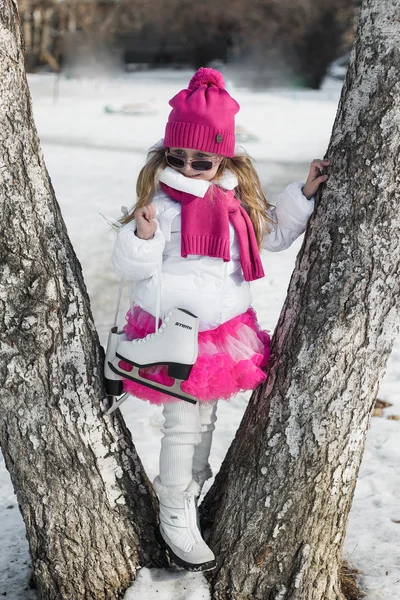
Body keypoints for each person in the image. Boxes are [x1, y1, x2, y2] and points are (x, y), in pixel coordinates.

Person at [111, 67, 329, 571]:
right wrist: (142, 235)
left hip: (223, 332)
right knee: (181, 424)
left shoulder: (236, 202)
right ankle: (173, 509)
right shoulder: (160, 206)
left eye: (201, 161)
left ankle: (193, 488)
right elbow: (129, 268)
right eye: (177, 158)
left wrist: (303, 196)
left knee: (204, 419)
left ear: (223, 156)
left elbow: (270, 236)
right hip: (171, 330)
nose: (187, 169)